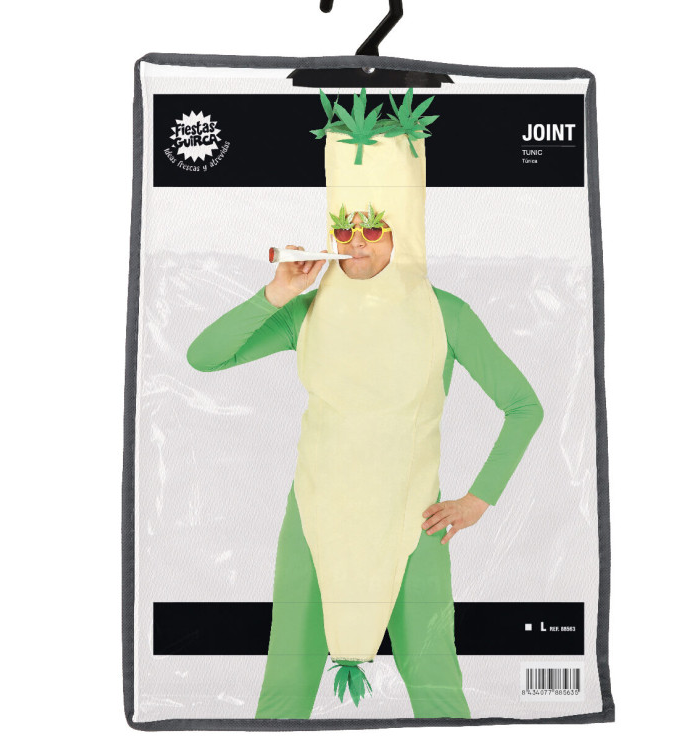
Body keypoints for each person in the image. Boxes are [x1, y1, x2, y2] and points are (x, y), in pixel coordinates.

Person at [186, 211, 544, 719]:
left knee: (434, 680)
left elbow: (524, 406)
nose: (357, 242)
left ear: (400, 236)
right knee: (288, 680)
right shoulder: (307, 312)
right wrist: (277, 294)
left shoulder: (444, 313)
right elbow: (204, 357)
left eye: (373, 229)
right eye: (344, 230)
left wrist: (478, 499)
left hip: (413, 523)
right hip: (314, 520)